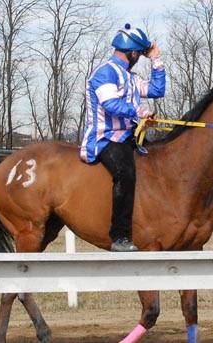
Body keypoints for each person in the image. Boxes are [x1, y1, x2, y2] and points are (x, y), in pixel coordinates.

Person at [80, 23, 166, 252]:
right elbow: (110, 104)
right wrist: (139, 112)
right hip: (105, 139)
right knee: (125, 173)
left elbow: (157, 90)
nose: (139, 57)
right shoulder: (105, 72)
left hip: (129, 137)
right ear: (134, 53)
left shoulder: (132, 77)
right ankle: (119, 236)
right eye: (140, 54)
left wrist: (156, 60)